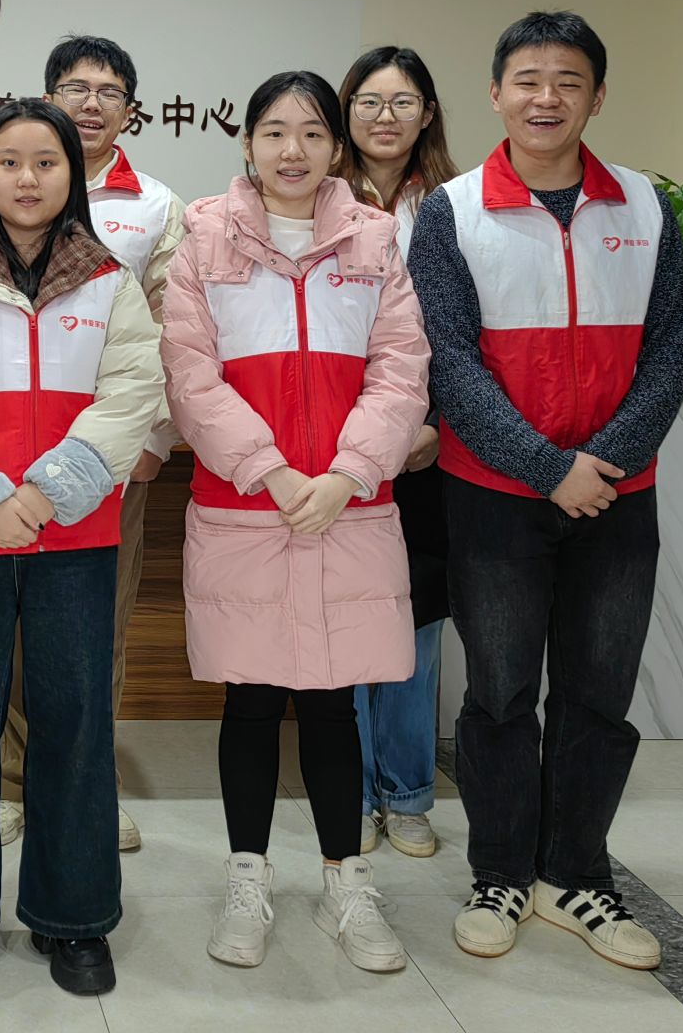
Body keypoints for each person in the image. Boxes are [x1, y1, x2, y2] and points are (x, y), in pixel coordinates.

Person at [408, 11, 683, 971]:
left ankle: (576, 874)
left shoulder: (645, 206)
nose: (546, 97)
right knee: (498, 695)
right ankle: (499, 872)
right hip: (493, 496)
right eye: (527, 80)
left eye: (568, 81)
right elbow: (448, 361)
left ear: (597, 97)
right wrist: (546, 467)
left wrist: (600, 464)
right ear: (495, 94)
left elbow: (672, 348)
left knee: (599, 692)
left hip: (617, 495)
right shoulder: (453, 212)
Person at [161, 71, 429, 974]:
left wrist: (348, 473)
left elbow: (401, 369)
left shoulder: (375, 241)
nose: (293, 150)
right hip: (247, 507)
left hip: (349, 509)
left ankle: (346, 883)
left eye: (313, 133)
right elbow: (190, 377)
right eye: (274, 132)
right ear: (247, 144)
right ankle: (247, 879)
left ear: (336, 148)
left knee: (332, 701)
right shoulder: (203, 240)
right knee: (249, 698)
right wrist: (272, 472)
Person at [0, 99, 162, 998]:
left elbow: (131, 394)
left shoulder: (112, 282)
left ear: (71, 174)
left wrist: (47, 493)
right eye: (8, 160)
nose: (27, 177)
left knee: (75, 726)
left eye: (46, 162)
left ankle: (73, 916)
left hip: (75, 533)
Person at [0, 35, 183, 854]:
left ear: (130, 110)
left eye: (110, 91)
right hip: (9, 454)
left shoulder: (157, 207)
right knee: (11, 623)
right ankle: (12, 784)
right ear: (48, 98)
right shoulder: (5, 188)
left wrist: (153, 439)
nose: (92, 103)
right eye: (75, 88)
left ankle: (83, 786)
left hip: (112, 458)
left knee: (95, 627)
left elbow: (177, 331)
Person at [337, 47, 461, 861]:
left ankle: (408, 792)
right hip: (338, 447)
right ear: (345, 111)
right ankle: (348, 791)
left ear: (428, 114)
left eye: (403, 101)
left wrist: (436, 426)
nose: (386, 117)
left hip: (426, 451)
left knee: (416, 623)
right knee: (344, 617)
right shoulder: (317, 198)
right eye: (370, 101)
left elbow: (470, 336)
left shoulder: (455, 206)